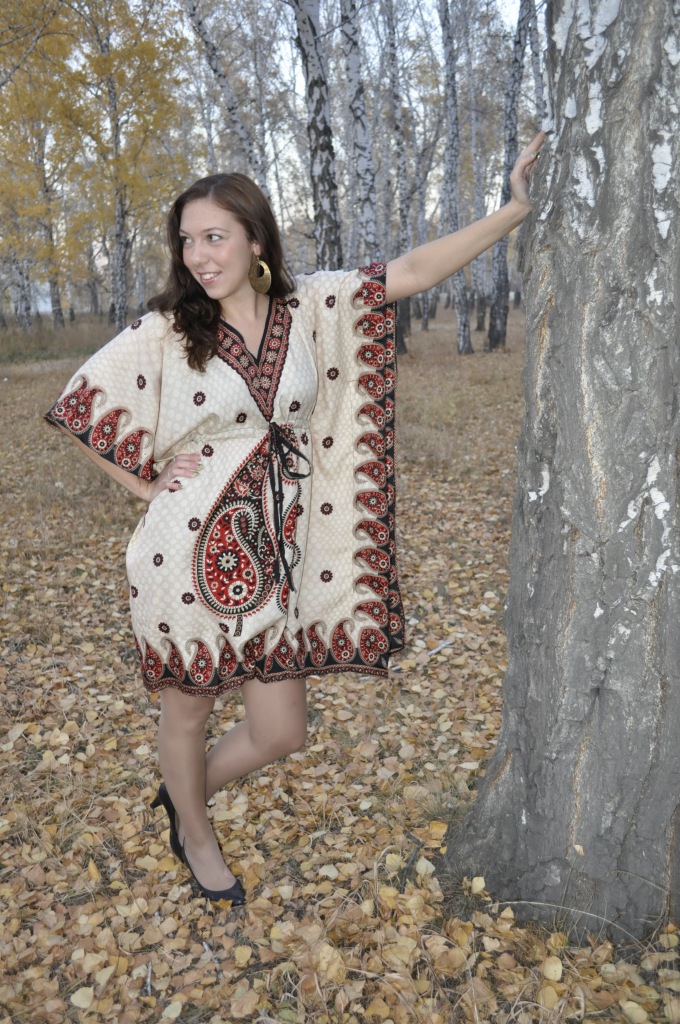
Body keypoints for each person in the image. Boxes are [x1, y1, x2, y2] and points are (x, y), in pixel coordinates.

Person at [46, 132, 544, 905]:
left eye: (215, 237)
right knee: (189, 707)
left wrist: (511, 211)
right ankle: (196, 835)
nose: (199, 255)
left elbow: (412, 271)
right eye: (188, 241)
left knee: (282, 731)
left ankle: (183, 796)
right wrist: (144, 487)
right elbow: (80, 404)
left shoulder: (311, 305)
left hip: (276, 554)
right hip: (188, 552)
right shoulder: (169, 330)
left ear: (255, 239)